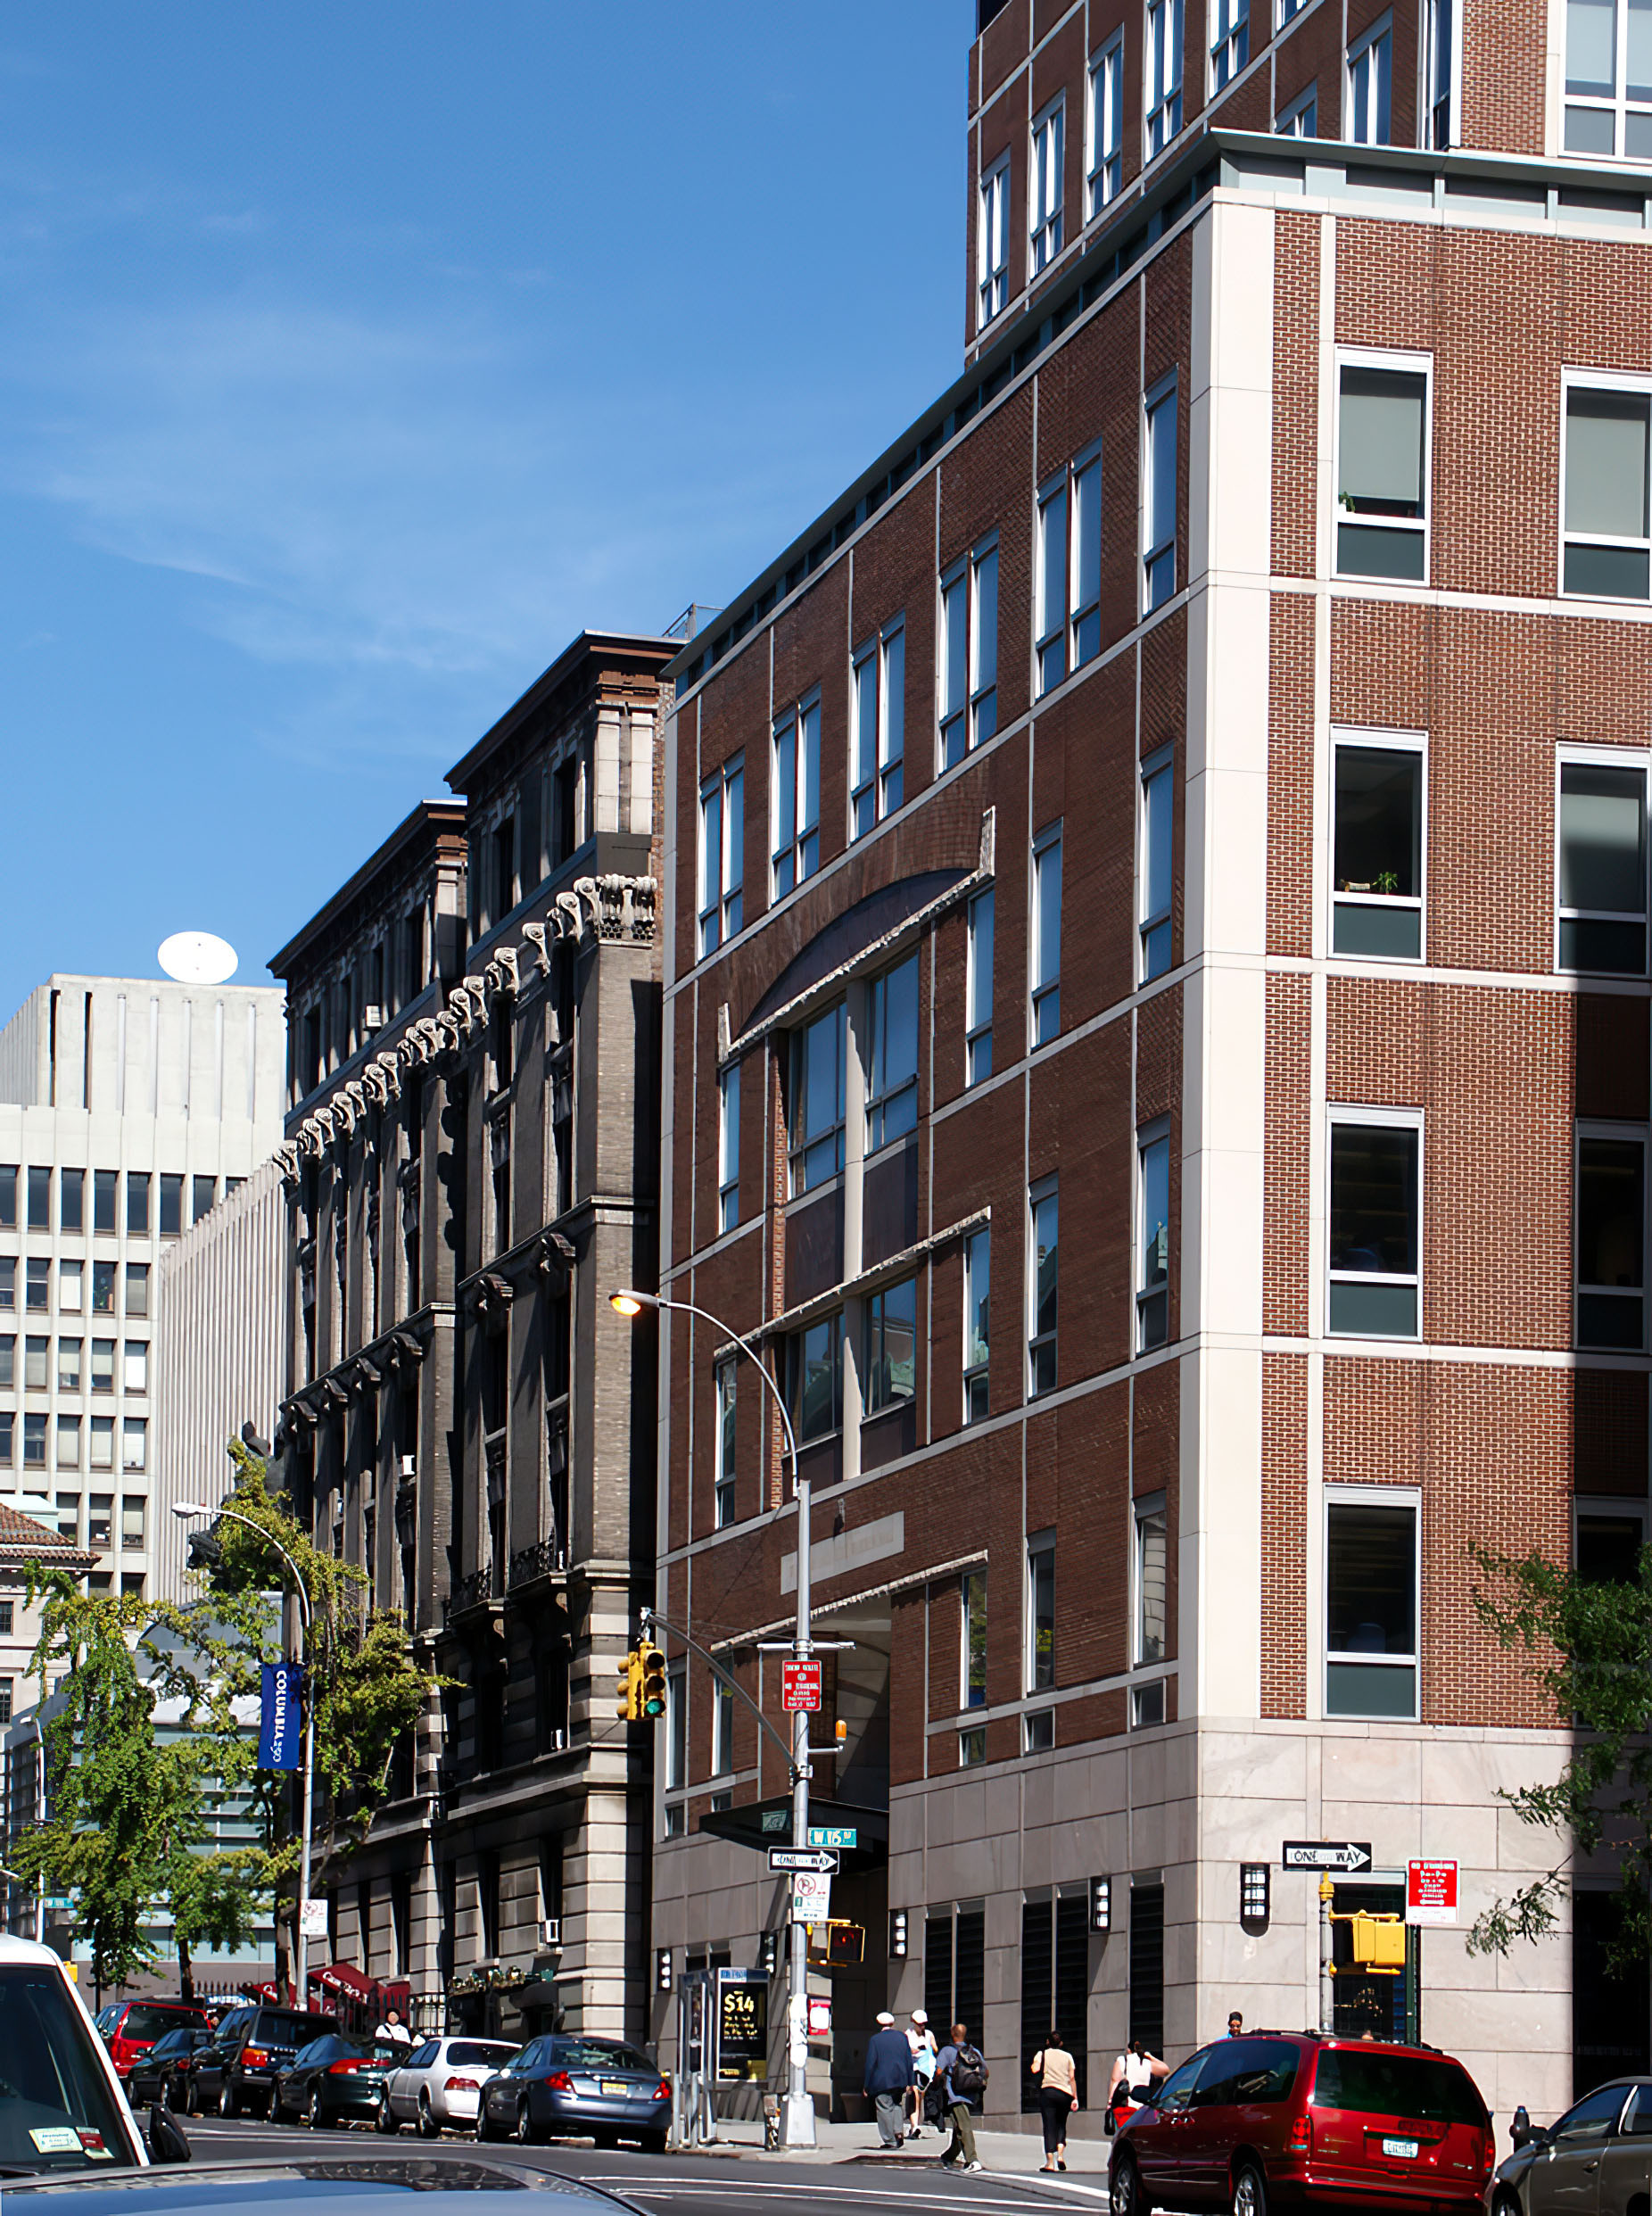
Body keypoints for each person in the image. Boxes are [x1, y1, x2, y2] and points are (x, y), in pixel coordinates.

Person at [933, 2020, 988, 2172]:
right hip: (971, 2095)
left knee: (964, 2127)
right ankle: (948, 2157)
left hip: (955, 2095)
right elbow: (986, 2072)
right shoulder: (974, 2051)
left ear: (952, 2034)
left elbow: (938, 2072)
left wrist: (936, 2083)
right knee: (959, 2127)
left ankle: (972, 2160)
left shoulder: (947, 2051)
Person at [864, 2010, 915, 2148]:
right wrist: (911, 2081)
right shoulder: (902, 2037)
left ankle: (890, 2139)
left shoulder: (875, 2040)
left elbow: (870, 2064)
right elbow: (908, 2060)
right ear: (892, 2023)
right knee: (897, 2104)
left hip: (882, 2080)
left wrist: (867, 2085)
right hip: (900, 2078)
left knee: (884, 2107)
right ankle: (898, 2132)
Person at [1031, 2027, 1078, 2171]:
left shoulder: (1042, 2054)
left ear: (1047, 2042)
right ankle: (1061, 2156)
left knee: (1049, 2125)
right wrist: (1075, 2098)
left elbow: (1034, 2069)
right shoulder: (1068, 2056)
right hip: (1065, 2093)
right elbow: (1072, 2078)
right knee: (1061, 2124)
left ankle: (1050, 2162)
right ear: (1061, 2043)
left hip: (1048, 2092)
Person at [1106, 2033, 1168, 2128]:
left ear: (1129, 2050)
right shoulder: (1148, 2063)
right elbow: (1165, 2070)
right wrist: (1150, 2057)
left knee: (1124, 2134)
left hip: (1126, 2108)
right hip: (1143, 2108)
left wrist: (1110, 2102)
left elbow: (1115, 2081)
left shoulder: (1122, 2060)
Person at [905, 2010, 938, 2139]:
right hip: (914, 2068)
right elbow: (907, 2050)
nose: (922, 2027)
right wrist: (917, 2049)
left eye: (923, 2024)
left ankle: (916, 2125)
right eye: (920, 2024)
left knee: (919, 2096)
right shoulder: (908, 2034)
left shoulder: (929, 2034)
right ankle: (915, 2126)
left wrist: (928, 2047)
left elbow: (935, 2048)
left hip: (926, 2069)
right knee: (915, 2096)